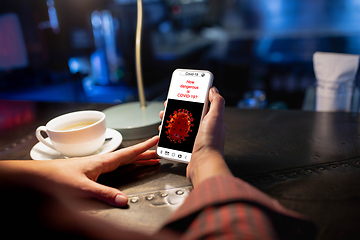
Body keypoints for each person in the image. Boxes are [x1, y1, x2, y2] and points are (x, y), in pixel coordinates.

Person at [0, 87, 316, 239]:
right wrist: (206, 159)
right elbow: (242, 231)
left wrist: (41, 171)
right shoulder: (35, 209)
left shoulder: (33, 190)